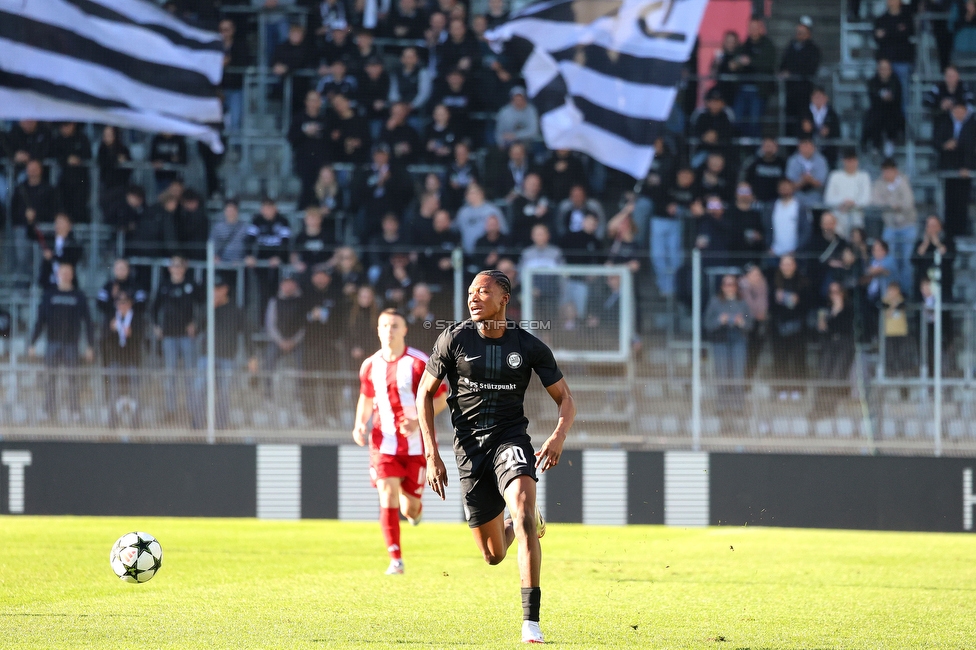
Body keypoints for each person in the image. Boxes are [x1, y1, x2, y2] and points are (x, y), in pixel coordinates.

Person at [417, 270, 576, 645]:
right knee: (492, 556)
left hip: (511, 441)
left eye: (483, 292)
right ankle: (522, 521)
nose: (473, 298)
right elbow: (425, 394)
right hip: (469, 450)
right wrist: (431, 454)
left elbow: (566, 399)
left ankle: (530, 622)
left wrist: (557, 436)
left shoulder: (527, 345)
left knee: (520, 512)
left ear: (504, 299)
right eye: (471, 292)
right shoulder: (453, 338)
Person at [352, 309, 449, 575]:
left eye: (395, 325)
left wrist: (418, 421)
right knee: (387, 493)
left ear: (405, 330)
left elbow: (441, 396)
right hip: (383, 444)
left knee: (409, 507)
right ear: (378, 329)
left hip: (417, 446)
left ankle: (416, 513)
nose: (389, 330)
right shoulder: (370, 365)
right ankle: (396, 559)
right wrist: (360, 423)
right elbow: (367, 398)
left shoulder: (419, 363)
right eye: (385, 325)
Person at [28, 264, 94, 420]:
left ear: (72, 275)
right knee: (50, 378)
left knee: (73, 379)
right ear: (57, 274)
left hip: (72, 344)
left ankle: (74, 411)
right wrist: (32, 343)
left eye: (68, 273)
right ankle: (48, 410)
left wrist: (90, 346)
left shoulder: (79, 296)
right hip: (52, 343)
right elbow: (40, 320)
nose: (65, 275)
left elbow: (88, 322)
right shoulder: (49, 294)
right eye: (62, 273)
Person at [152, 256, 200, 425]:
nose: (177, 268)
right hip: (169, 335)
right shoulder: (164, 285)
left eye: (180, 265)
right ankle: (170, 410)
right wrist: (156, 325)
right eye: (174, 265)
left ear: (184, 268)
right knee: (170, 374)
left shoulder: (191, 285)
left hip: (187, 336)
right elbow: (154, 307)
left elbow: (203, 305)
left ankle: (192, 410)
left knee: (189, 374)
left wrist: (196, 323)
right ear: (170, 268)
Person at [870, 158, 917, 294]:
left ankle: (906, 293)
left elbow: (908, 202)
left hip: (907, 226)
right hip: (890, 226)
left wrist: (895, 205)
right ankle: (890, 293)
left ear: (895, 171)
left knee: (906, 261)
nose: (887, 174)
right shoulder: (879, 184)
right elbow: (876, 201)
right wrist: (892, 205)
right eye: (885, 171)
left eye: (890, 171)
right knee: (889, 261)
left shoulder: (903, 181)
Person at [704, 274, 750, 413]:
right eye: (726, 284)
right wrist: (719, 320)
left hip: (738, 340)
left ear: (736, 287)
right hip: (720, 340)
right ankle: (721, 405)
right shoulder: (715, 302)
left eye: (732, 284)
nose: (729, 287)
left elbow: (750, 322)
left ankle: (738, 405)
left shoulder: (743, 303)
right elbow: (707, 323)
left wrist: (742, 322)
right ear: (722, 287)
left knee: (738, 373)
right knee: (721, 372)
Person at [824, 149, 872, 238]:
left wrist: (853, 203)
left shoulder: (864, 176)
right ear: (843, 161)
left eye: (853, 160)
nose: (850, 163)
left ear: (857, 161)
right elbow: (828, 199)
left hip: (857, 218)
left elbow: (866, 199)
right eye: (848, 160)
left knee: (856, 241)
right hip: (838, 217)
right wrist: (843, 202)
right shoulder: (835, 176)